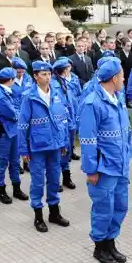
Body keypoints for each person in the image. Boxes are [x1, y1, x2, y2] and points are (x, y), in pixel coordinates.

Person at [78, 59, 132, 263]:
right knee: (103, 208)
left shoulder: (117, 98)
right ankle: (99, 246)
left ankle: (110, 242)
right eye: (122, 76)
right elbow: (88, 140)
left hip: (120, 165)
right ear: (114, 78)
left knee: (120, 206)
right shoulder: (93, 103)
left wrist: (127, 157)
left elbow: (125, 133)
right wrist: (91, 169)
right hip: (103, 167)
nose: (124, 79)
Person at [18, 61, 70, 232]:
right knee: (38, 182)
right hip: (37, 146)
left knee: (55, 179)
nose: (47, 78)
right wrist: (23, 150)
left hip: (55, 145)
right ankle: (38, 215)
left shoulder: (56, 92)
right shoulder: (29, 96)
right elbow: (23, 125)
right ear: (35, 76)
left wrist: (63, 142)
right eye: (43, 74)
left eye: (49, 74)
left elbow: (62, 119)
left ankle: (54, 212)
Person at [0, 67, 30, 204]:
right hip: (4, 132)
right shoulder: (0, 95)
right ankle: (1, 190)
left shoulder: (5, 91)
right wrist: (23, 115)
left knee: (14, 160)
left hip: (12, 131)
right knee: (2, 162)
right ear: (10, 80)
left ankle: (16, 188)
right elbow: (13, 113)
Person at [52, 58, 81, 191]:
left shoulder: (65, 82)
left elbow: (72, 103)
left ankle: (66, 177)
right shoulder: (53, 84)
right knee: (58, 152)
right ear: (64, 70)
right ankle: (54, 180)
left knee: (67, 151)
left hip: (69, 123)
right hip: (59, 125)